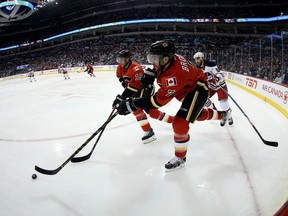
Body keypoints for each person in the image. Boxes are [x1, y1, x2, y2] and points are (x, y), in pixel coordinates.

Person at [115, 40, 228, 171]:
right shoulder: (169, 61)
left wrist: (132, 103)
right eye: (151, 58)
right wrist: (153, 73)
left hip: (198, 88)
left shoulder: (174, 76)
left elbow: (157, 102)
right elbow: (162, 73)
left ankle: (180, 157)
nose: (152, 62)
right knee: (197, 115)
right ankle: (223, 114)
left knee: (180, 123)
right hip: (185, 86)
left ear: (165, 59)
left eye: (154, 59)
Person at [112, 49, 174, 144]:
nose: (119, 62)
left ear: (127, 59)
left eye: (121, 59)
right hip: (134, 90)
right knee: (146, 112)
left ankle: (151, 130)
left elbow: (134, 87)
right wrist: (124, 93)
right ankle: (171, 122)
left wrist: (122, 97)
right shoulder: (120, 68)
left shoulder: (136, 69)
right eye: (118, 59)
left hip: (145, 90)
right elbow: (122, 80)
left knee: (137, 108)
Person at [193, 52, 233, 126]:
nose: (196, 61)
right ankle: (218, 112)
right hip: (211, 87)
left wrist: (219, 78)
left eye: (198, 58)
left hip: (220, 85)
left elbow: (218, 73)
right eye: (195, 59)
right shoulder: (197, 68)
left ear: (202, 57)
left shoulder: (210, 64)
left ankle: (229, 116)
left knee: (223, 104)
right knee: (204, 99)